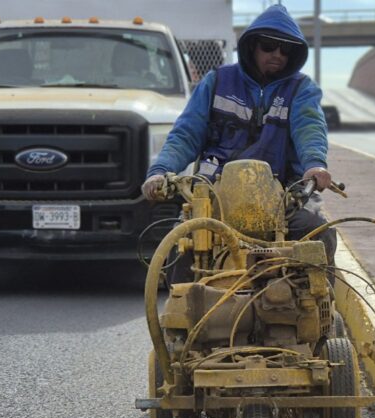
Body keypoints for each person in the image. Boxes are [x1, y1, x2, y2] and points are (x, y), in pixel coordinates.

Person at [141, 5, 336, 274]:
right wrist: (160, 171)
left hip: (282, 194)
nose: (277, 54)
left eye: (285, 49)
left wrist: (315, 164)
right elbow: (186, 133)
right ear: (253, 46)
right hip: (215, 191)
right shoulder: (217, 81)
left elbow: (310, 128)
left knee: (317, 230)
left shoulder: (301, 89)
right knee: (182, 245)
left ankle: (321, 309)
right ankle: (182, 311)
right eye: (269, 46)